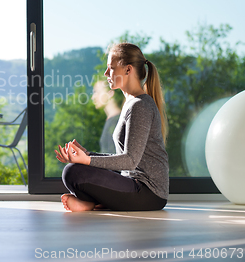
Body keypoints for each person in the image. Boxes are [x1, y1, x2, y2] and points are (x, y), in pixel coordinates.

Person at [56, 43, 169, 211]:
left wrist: (87, 160)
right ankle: (95, 203)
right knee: (76, 168)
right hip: (133, 183)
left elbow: (129, 161)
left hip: (148, 193)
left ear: (128, 70)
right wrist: (87, 155)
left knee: (73, 172)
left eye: (111, 68)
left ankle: (91, 203)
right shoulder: (132, 103)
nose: (106, 73)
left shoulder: (140, 105)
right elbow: (123, 159)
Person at [91, 80, 123, 153]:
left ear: (110, 93)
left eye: (97, 92)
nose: (93, 97)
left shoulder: (118, 122)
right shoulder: (112, 121)